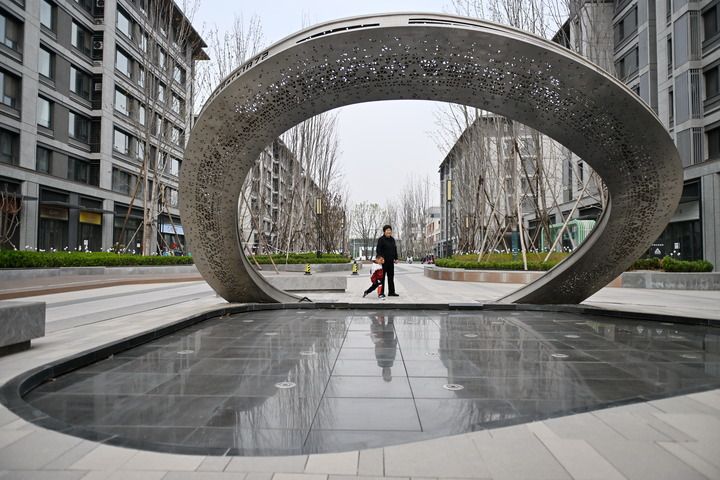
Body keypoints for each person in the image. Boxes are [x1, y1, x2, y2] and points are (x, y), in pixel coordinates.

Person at [376, 224, 399, 296]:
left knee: (391, 277)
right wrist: (380, 258)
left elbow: (394, 249)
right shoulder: (381, 239)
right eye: (387, 230)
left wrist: (396, 258)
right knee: (382, 278)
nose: (389, 231)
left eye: (390, 230)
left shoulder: (392, 240)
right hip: (383, 262)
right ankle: (381, 292)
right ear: (384, 231)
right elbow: (378, 250)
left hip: (391, 262)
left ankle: (391, 292)